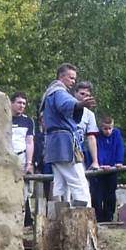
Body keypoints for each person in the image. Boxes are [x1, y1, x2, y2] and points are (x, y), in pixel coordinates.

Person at [40, 63, 96, 207]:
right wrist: (80, 104)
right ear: (61, 77)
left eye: (74, 79)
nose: (73, 81)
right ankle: (85, 215)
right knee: (79, 181)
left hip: (55, 143)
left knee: (60, 184)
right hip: (63, 143)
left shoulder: (50, 93)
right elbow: (65, 104)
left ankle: (59, 215)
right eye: (71, 78)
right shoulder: (59, 91)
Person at [91, 116, 125, 222]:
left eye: (110, 128)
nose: (108, 131)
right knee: (97, 195)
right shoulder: (96, 135)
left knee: (110, 194)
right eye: (105, 128)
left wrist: (119, 161)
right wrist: (100, 164)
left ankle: (109, 217)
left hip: (112, 169)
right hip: (99, 170)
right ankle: (98, 218)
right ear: (101, 127)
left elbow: (120, 147)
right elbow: (97, 149)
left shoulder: (116, 134)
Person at [10, 92, 34, 226]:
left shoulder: (28, 121)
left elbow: (29, 142)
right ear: (12, 103)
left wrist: (29, 163)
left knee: (24, 191)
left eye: (24, 103)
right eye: (19, 102)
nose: (22, 106)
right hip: (6, 158)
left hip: (21, 157)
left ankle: (22, 221)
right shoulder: (3, 118)